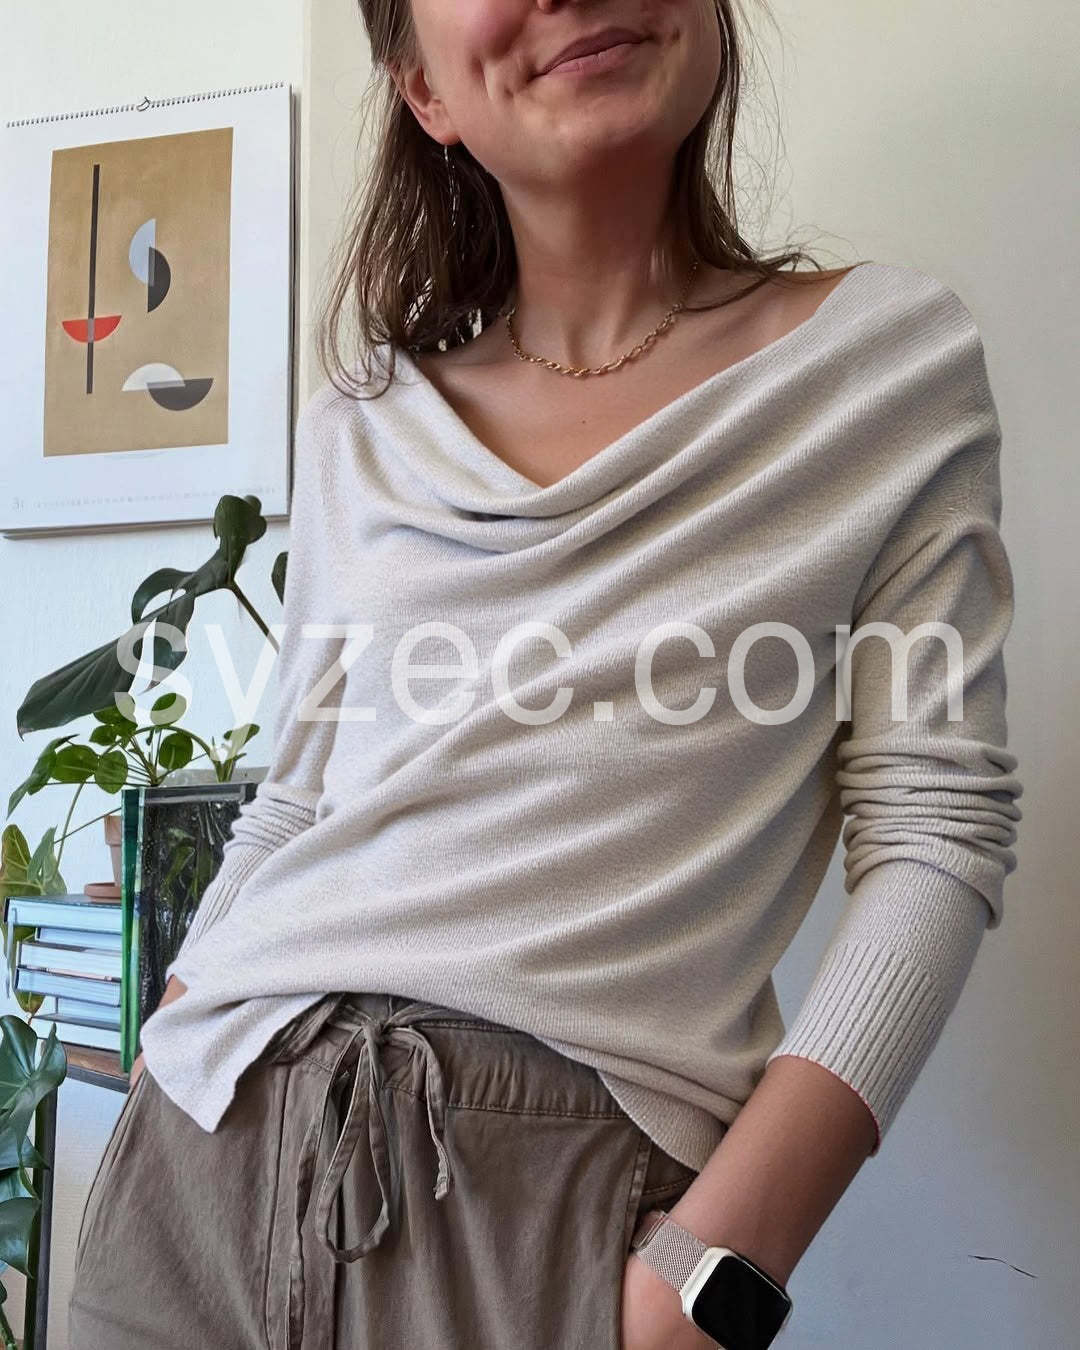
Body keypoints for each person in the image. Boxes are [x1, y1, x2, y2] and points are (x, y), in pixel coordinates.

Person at [69, 2, 1023, 1348]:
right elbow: (294, 799)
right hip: (201, 1160)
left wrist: (704, 1282)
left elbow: (936, 829)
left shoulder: (884, 369)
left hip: (544, 1207)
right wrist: (172, 1026)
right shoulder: (361, 425)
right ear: (422, 86)